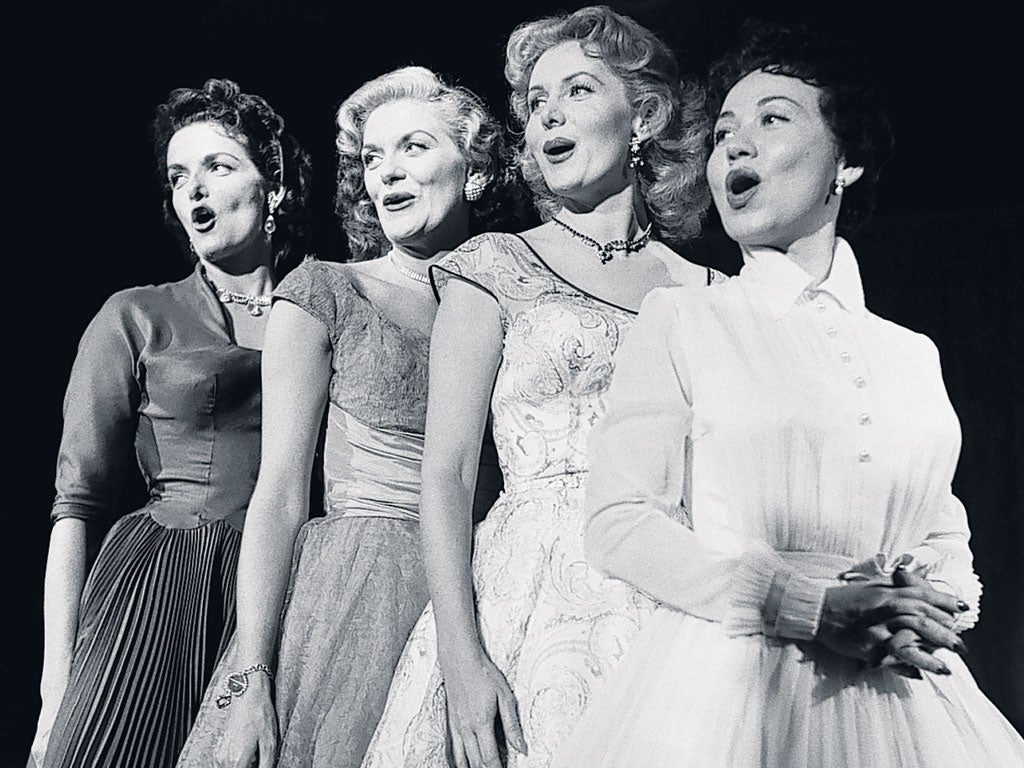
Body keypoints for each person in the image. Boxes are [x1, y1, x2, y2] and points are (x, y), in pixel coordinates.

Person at [554, 21, 1024, 768]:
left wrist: (919, 612)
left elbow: (944, 540)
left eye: (773, 119)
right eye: (724, 133)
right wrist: (802, 605)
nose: (735, 146)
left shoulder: (912, 355)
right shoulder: (687, 319)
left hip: (899, 693)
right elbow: (617, 523)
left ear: (847, 162)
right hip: (734, 686)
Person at [362, 7, 720, 768]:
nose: (548, 115)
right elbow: (448, 475)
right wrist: (462, 663)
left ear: (644, 117)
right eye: (535, 103)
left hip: (677, 592)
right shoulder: (493, 266)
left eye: (579, 91)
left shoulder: (712, 290)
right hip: (529, 601)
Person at [176, 66, 510, 768]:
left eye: (413, 148)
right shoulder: (327, 290)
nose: (386, 173)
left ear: (474, 169)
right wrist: (252, 678)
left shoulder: (517, 293)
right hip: (351, 602)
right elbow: (280, 494)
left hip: (489, 585)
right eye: (372, 159)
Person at [29, 79, 313, 768]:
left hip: (290, 587)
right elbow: (77, 506)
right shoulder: (136, 315)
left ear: (273, 185)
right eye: (179, 176)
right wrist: (53, 691)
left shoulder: (325, 308)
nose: (194, 191)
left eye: (218, 166)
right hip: (162, 584)